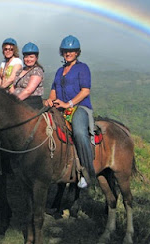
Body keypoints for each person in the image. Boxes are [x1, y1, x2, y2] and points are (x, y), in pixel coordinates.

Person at [45, 35, 95, 188]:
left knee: (79, 132)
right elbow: (54, 90)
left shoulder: (83, 68)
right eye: (66, 51)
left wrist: (68, 104)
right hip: (60, 107)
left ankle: (87, 171)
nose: (68, 53)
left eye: (72, 51)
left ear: (77, 52)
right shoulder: (60, 71)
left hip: (80, 108)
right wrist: (50, 100)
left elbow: (85, 91)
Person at [10, 42, 44, 110]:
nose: (28, 59)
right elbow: (13, 86)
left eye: (31, 57)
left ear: (36, 58)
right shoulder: (20, 70)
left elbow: (28, 91)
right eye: (26, 57)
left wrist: (14, 102)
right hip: (18, 100)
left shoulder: (37, 71)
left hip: (31, 102)